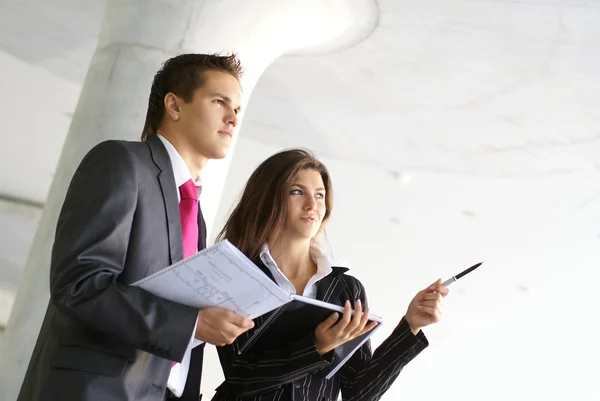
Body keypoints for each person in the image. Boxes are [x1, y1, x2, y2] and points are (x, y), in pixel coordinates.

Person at [17, 53, 255, 401]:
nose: (233, 118)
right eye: (220, 101)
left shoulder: (194, 211)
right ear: (174, 105)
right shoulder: (120, 163)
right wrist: (191, 323)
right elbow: (80, 284)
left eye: (237, 109)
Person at [212, 149, 450, 401]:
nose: (311, 205)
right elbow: (239, 377)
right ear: (267, 198)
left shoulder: (346, 288)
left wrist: (410, 326)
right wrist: (317, 347)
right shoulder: (237, 276)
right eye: (296, 191)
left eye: (319, 195)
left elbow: (356, 392)